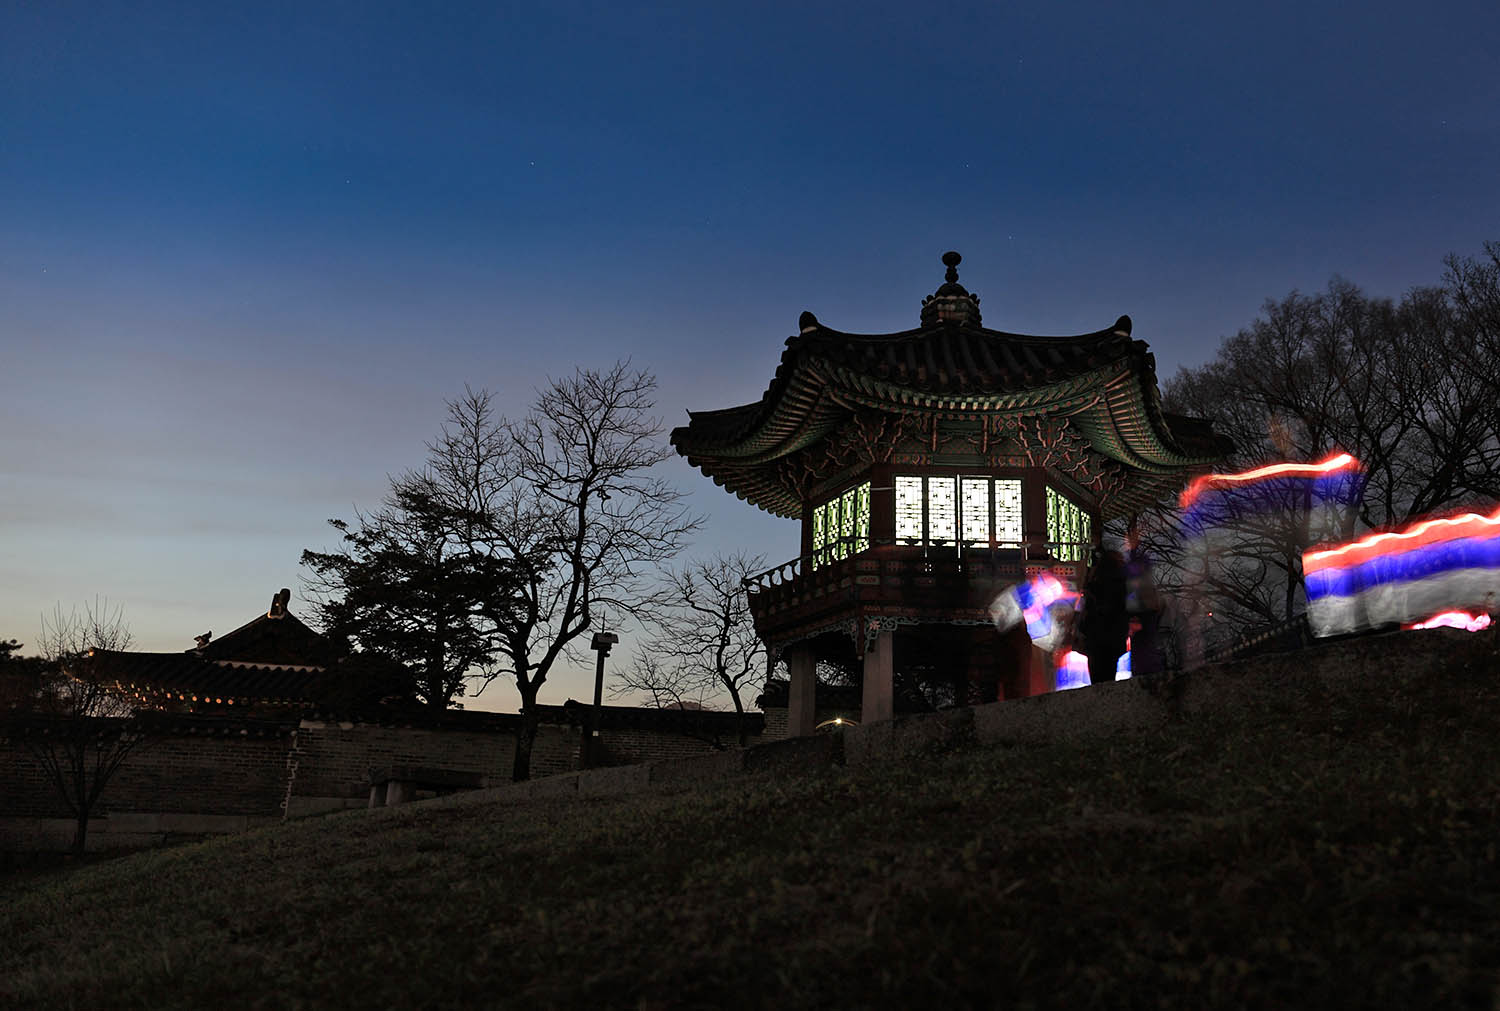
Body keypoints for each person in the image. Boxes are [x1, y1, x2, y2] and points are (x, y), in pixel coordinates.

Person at [1078, 548, 1129, 685]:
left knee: (1097, 676)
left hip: (1095, 639)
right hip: (1113, 640)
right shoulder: (1122, 585)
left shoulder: (1094, 585)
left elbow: (1086, 613)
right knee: (1109, 675)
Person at [1124, 540, 1165, 676]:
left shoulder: (1136, 583)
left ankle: (1144, 674)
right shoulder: (1147, 585)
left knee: (1142, 646)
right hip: (1146, 611)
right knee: (1146, 645)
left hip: (1141, 612)